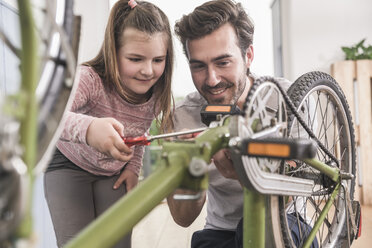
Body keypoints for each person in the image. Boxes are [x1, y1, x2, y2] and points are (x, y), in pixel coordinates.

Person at [167, 1, 318, 248]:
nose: (212, 79)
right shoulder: (183, 117)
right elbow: (183, 218)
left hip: (287, 219)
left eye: (223, 62)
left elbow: (291, 194)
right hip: (220, 230)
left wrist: (244, 174)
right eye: (198, 66)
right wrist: (194, 171)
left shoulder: (288, 99)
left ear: (248, 56)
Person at [44, 1, 174, 247]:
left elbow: (142, 131)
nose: (148, 71)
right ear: (113, 51)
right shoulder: (89, 79)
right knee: (79, 243)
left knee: (119, 242)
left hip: (113, 172)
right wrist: (90, 129)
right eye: (135, 59)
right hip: (68, 165)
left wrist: (133, 168)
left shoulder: (156, 94)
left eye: (158, 59)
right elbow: (52, 114)